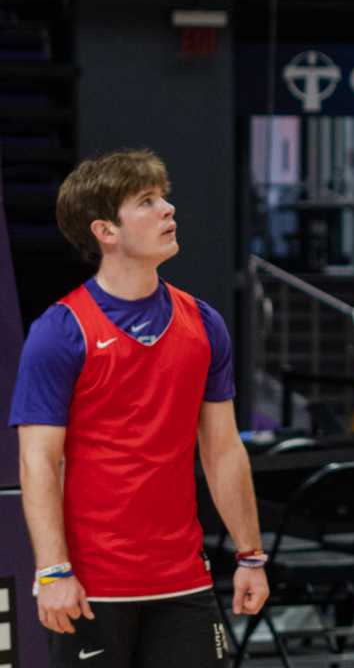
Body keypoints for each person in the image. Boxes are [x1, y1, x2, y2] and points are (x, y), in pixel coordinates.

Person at [11, 149, 270, 667]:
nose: (168, 209)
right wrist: (53, 570)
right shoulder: (60, 332)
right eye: (147, 202)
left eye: (164, 197)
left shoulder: (204, 323)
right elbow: (38, 460)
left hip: (183, 583)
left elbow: (222, 451)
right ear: (105, 231)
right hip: (90, 587)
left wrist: (251, 555)